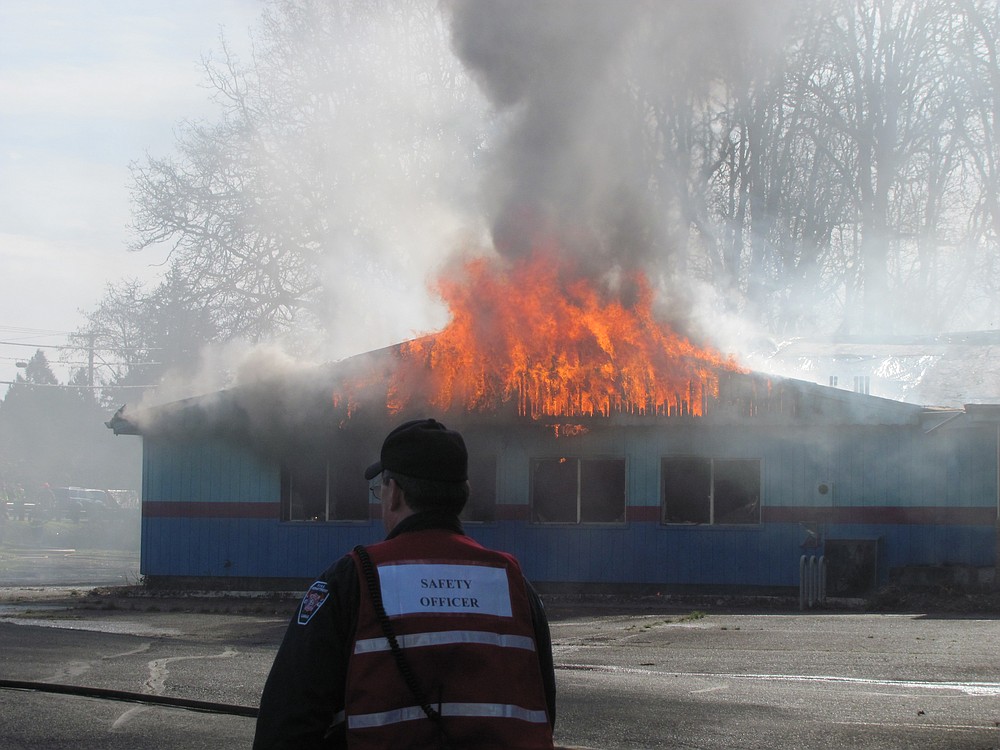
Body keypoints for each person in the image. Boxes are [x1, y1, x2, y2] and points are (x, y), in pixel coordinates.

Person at [253, 418, 556, 750]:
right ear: (461, 496)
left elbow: (285, 726)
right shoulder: (516, 586)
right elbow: (541, 711)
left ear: (394, 493)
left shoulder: (352, 581)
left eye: (380, 488)